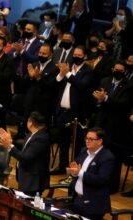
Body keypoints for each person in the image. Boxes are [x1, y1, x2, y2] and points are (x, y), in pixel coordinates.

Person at [51, 46, 94, 175]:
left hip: (77, 114)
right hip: (62, 112)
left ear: (85, 56)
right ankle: (62, 167)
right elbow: (56, 84)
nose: (76, 57)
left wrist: (68, 73)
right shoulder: (67, 68)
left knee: (77, 144)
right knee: (63, 142)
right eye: (74, 54)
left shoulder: (88, 71)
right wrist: (61, 74)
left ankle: (75, 169)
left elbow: (81, 85)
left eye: (79, 55)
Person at [93, 61, 133, 193]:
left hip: (117, 127)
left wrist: (105, 99)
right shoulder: (105, 81)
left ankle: (112, 186)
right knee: (99, 155)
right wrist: (99, 100)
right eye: (116, 69)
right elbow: (97, 97)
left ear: (125, 72)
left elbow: (123, 104)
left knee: (114, 158)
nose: (117, 72)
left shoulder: (129, 85)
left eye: (120, 70)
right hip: (102, 123)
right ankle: (98, 180)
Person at [66, 127, 115, 220]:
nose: (87, 141)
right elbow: (77, 169)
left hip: (93, 204)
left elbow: (101, 180)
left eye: (91, 139)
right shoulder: (84, 151)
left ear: (100, 141)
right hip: (77, 199)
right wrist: (74, 171)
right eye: (86, 138)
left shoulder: (107, 157)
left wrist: (79, 172)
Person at [0, 112, 50, 196]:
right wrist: (11, 141)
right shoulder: (33, 134)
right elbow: (26, 146)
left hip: (33, 182)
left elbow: (25, 157)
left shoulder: (41, 138)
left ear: (31, 123)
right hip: (26, 177)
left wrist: (9, 146)